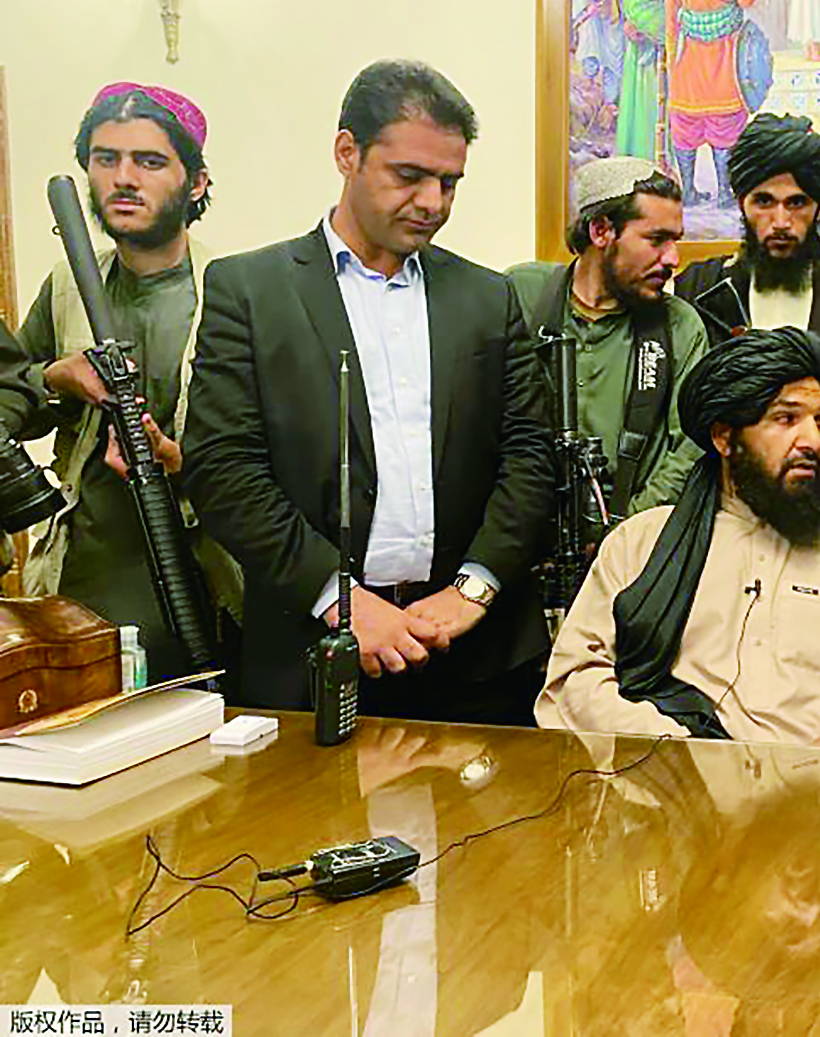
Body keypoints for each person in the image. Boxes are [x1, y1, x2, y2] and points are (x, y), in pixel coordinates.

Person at [184, 60, 557, 721]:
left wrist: (474, 588)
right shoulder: (252, 291)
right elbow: (223, 470)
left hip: (473, 655)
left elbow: (530, 453)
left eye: (449, 182)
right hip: (312, 652)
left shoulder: (487, 297)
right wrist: (341, 597)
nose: (433, 202)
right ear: (346, 153)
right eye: (409, 176)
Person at [536, 327, 820, 751]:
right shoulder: (642, 541)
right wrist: (670, 750)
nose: (812, 441)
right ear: (725, 437)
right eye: (786, 419)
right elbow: (575, 678)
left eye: (819, 421)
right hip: (671, 781)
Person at [16, 82, 234, 684]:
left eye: (150, 161)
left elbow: (276, 458)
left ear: (196, 182)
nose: (124, 178)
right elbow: (14, 401)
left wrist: (176, 459)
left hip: (202, 583)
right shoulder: (67, 285)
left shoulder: (233, 291)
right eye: (106, 159)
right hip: (80, 585)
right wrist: (57, 378)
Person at [508, 156, 709, 516]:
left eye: (675, 240)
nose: (673, 259)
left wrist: (625, 530)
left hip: (637, 534)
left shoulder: (679, 325)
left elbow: (691, 448)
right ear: (601, 231)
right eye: (656, 240)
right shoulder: (522, 294)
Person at [674, 112, 820, 455]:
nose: (781, 222)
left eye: (796, 203)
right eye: (764, 202)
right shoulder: (697, 289)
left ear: (817, 207)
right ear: (742, 203)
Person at [665, 0, 757, 204]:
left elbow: (671, 16)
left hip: (688, 62)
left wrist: (671, 59)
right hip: (722, 58)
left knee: (686, 126)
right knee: (725, 123)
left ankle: (689, 192)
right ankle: (725, 195)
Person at [615, 0, 686, 161]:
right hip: (650, 54)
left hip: (674, 52)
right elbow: (638, 5)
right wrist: (669, 26)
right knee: (650, 111)